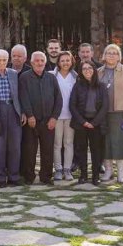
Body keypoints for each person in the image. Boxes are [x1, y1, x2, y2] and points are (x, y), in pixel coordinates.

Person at [18, 52, 62, 185]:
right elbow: (23, 97)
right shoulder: (24, 78)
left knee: (47, 150)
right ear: (31, 63)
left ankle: (46, 176)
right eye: (36, 60)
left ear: (45, 62)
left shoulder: (51, 78)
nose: (39, 63)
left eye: (42, 60)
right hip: (31, 121)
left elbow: (58, 99)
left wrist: (54, 117)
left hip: (48, 121)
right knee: (29, 150)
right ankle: (29, 176)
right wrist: (30, 115)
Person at [98, 44, 123, 184]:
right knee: (105, 143)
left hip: (120, 113)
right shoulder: (99, 72)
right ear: (104, 55)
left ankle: (121, 172)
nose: (111, 55)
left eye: (115, 53)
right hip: (102, 114)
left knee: (119, 142)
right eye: (109, 52)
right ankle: (108, 171)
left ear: (119, 56)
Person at [0, 49, 24, 187]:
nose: (2, 62)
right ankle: (1, 178)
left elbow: (20, 95)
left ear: (8, 61)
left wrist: (23, 112)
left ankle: (14, 176)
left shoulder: (14, 74)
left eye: (4, 60)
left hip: (13, 111)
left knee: (15, 146)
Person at [69, 61, 108, 184]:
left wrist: (94, 122)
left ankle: (95, 176)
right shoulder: (77, 86)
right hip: (81, 123)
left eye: (90, 68)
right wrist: (83, 122)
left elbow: (105, 106)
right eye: (84, 68)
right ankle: (83, 175)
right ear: (81, 71)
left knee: (96, 150)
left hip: (96, 124)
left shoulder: (101, 86)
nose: (87, 70)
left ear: (94, 70)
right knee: (81, 150)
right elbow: (72, 105)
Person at [52, 51, 77, 181]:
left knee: (68, 143)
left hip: (71, 115)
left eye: (68, 60)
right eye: (62, 60)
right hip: (56, 115)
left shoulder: (75, 76)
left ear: (71, 61)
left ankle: (67, 169)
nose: (65, 63)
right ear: (58, 62)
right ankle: (58, 169)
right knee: (57, 143)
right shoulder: (52, 75)